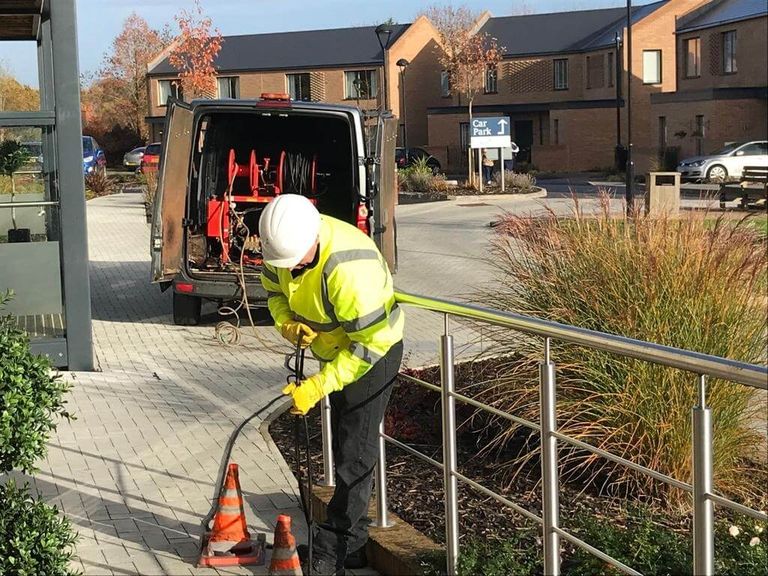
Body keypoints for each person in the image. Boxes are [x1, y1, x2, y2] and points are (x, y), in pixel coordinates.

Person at [259, 194, 404, 576]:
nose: (291, 270)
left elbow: (368, 346)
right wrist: (285, 321)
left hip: (373, 355)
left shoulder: (349, 267)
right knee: (345, 445)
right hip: (335, 353)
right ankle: (352, 547)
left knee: (355, 453)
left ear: (314, 238)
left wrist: (318, 385)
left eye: (297, 262)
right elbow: (273, 290)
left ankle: (332, 548)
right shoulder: (283, 243)